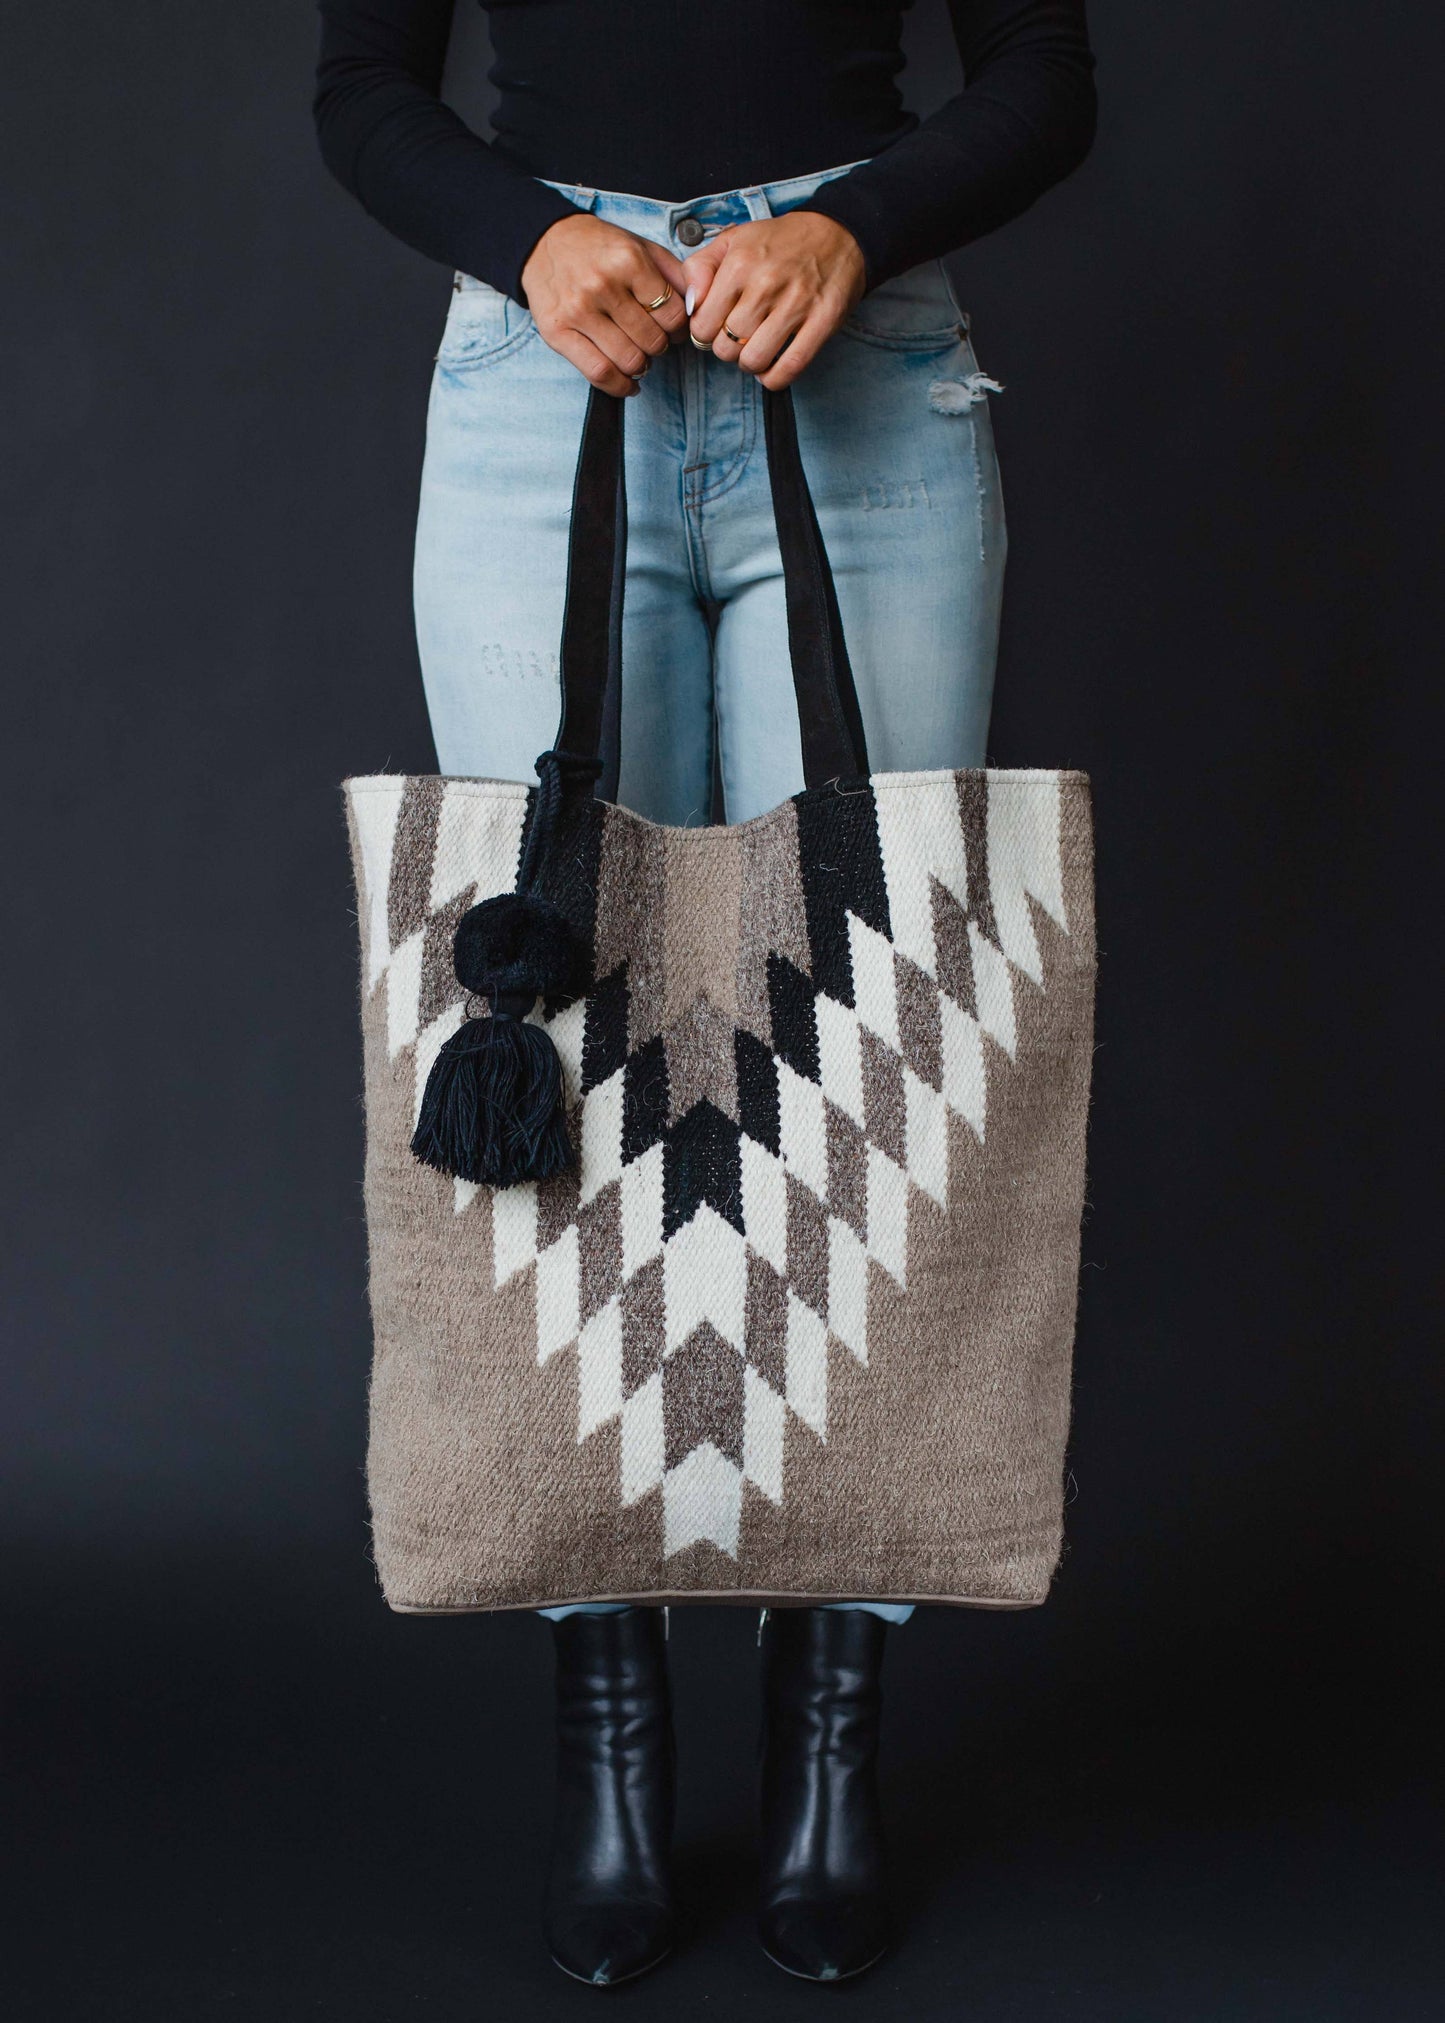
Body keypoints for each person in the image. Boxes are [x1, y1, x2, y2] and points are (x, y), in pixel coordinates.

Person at [314, 0, 1095, 1986]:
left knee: (872, 1041)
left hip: (855, 348)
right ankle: (614, 1742)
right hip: (544, 357)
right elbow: (366, 85)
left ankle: (839, 1748)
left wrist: (854, 219)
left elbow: (1042, 74)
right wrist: (528, 236)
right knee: (559, 1043)